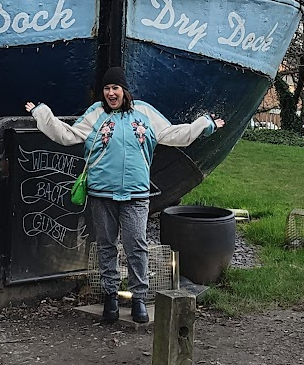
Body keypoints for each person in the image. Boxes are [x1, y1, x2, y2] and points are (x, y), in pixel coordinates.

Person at [25, 67, 224, 324]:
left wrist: (204, 124)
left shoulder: (144, 112)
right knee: (106, 245)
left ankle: (138, 298)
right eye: (106, 89)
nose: (110, 93)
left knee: (136, 246)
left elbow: (173, 134)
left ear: (124, 90)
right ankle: (110, 296)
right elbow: (67, 135)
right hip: (101, 193)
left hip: (136, 193)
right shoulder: (95, 114)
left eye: (115, 88)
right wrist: (42, 113)